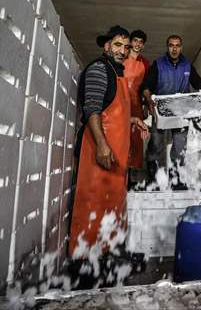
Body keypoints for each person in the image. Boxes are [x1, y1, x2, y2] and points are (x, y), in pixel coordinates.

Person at [69, 25, 149, 261]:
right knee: (93, 205)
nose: (123, 51)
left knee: (112, 206)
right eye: (117, 45)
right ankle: (84, 261)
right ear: (106, 46)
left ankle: (108, 255)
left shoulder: (117, 74)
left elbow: (112, 111)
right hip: (100, 154)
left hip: (116, 158)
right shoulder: (98, 70)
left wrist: (132, 119)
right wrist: (102, 145)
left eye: (126, 47)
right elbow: (93, 109)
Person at [141, 35, 201, 188]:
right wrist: (148, 100)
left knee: (180, 147)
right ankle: (153, 180)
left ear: (181, 47)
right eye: (171, 45)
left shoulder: (187, 65)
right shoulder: (158, 64)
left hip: (181, 111)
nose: (174, 49)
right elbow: (146, 86)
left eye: (177, 45)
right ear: (167, 47)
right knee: (156, 144)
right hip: (160, 112)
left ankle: (177, 181)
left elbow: (199, 82)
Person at [123, 30, 151, 171]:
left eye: (141, 42)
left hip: (136, 103)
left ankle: (132, 176)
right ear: (130, 42)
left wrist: (146, 104)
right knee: (121, 134)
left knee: (135, 138)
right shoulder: (121, 57)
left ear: (143, 45)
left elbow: (147, 86)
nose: (137, 44)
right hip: (120, 101)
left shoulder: (145, 63)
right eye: (135, 40)